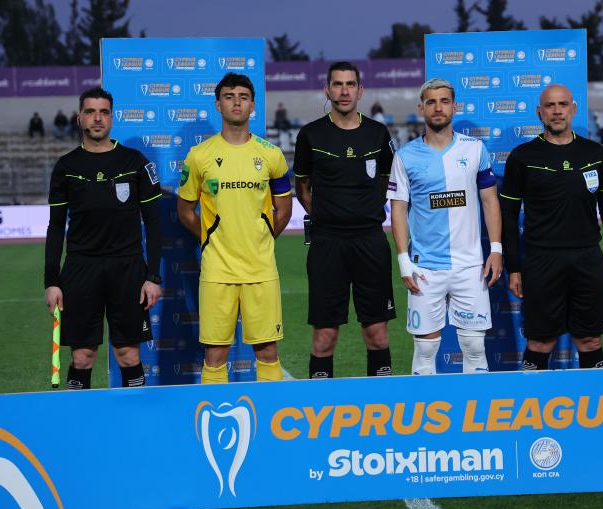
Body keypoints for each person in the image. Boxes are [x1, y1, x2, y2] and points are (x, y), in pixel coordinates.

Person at [500, 84, 603, 371]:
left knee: (590, 341)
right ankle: (532, 399)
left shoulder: (595, 153)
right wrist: (514, 268)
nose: (556, 111)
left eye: (562, 104)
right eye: (550, 105)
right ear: (539, 112)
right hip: (541, 260)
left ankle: (596, 398)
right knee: (540, 342)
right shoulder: (522, 157)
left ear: (573, 109)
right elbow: (508, 215)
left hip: (587, 258)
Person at [44, 87, 162, 390]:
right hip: (81, 268)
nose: (97, 118)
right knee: (82, 356)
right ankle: (76, 415)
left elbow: (154, 223)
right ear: (79, 118)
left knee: (128, 354)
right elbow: (55, 227)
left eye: (104, 112)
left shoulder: (135, 162)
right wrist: (51, 281)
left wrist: (153, 277)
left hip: (128, 268)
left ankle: (134, 416)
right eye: (90, 112)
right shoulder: (66, 166)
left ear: (112, 117)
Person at [177, 73, 292, 384]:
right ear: (218, 104)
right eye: (229, 96)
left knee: (267, 352)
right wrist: (209, 237)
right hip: (218, 270)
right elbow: (185, 209)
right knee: (215, 355)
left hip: (260, 269)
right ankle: (211, 416)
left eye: (243, 96)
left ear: (253, 105)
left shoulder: (271, 155)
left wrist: (262, 237)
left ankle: (270, 414)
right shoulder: (199, 156)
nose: (236, 102)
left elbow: (284, 209)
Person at [388, 78, 502, 375]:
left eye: (444, 101)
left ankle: (474, 405)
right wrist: (403, 260)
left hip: (470, 265)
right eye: (431, 102)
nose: (438, 108)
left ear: (454, 106)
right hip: (424, 267)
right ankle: (425, 405)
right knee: (425, 350)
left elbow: (490, 200)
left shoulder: (474, 149)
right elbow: (398, 208)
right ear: (421, 108)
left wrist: (496, 249)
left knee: (474, 347)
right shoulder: (405, 156)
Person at [294, 61, 396, 379]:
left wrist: (362, 212)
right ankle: (319, 405)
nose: (344, 91)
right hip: (327, 243)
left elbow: (386, 182)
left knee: (377, 333)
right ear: (327, 90)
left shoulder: (378, 134)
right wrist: (328, 217)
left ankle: (380, 403)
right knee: (325, 337)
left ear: (360, 90)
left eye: (350, 84)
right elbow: (303, 187)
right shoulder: (310, 134)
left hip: (370, 241)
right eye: (337, 84)